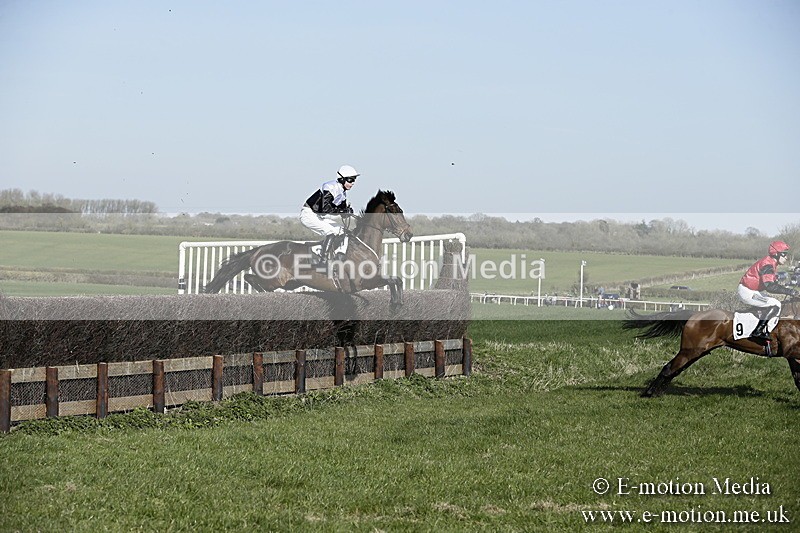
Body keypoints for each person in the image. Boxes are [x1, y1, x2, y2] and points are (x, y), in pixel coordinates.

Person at [300, 165, 359, 269]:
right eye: (350, 180)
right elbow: (325, 209)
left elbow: (342, 213)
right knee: (331, 232)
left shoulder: (343, 193)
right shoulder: (330, 187)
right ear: (342, 179)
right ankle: (322, 261)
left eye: (354, 180)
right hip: (309, 214)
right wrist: (343, 210)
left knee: (343, 232)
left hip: (318, 216)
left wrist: (348, 212)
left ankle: (338, 258)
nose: (353, 183)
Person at [737, 240, 798, 340]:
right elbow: (770, 286)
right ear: (776, 254)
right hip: (747, 292)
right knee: (775, 304)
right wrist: (789, 291)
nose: (786, 257)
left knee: (774, 303)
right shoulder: (768, 264)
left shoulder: (771, 262)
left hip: (753, 291)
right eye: (784, 254)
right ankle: (758, 331)